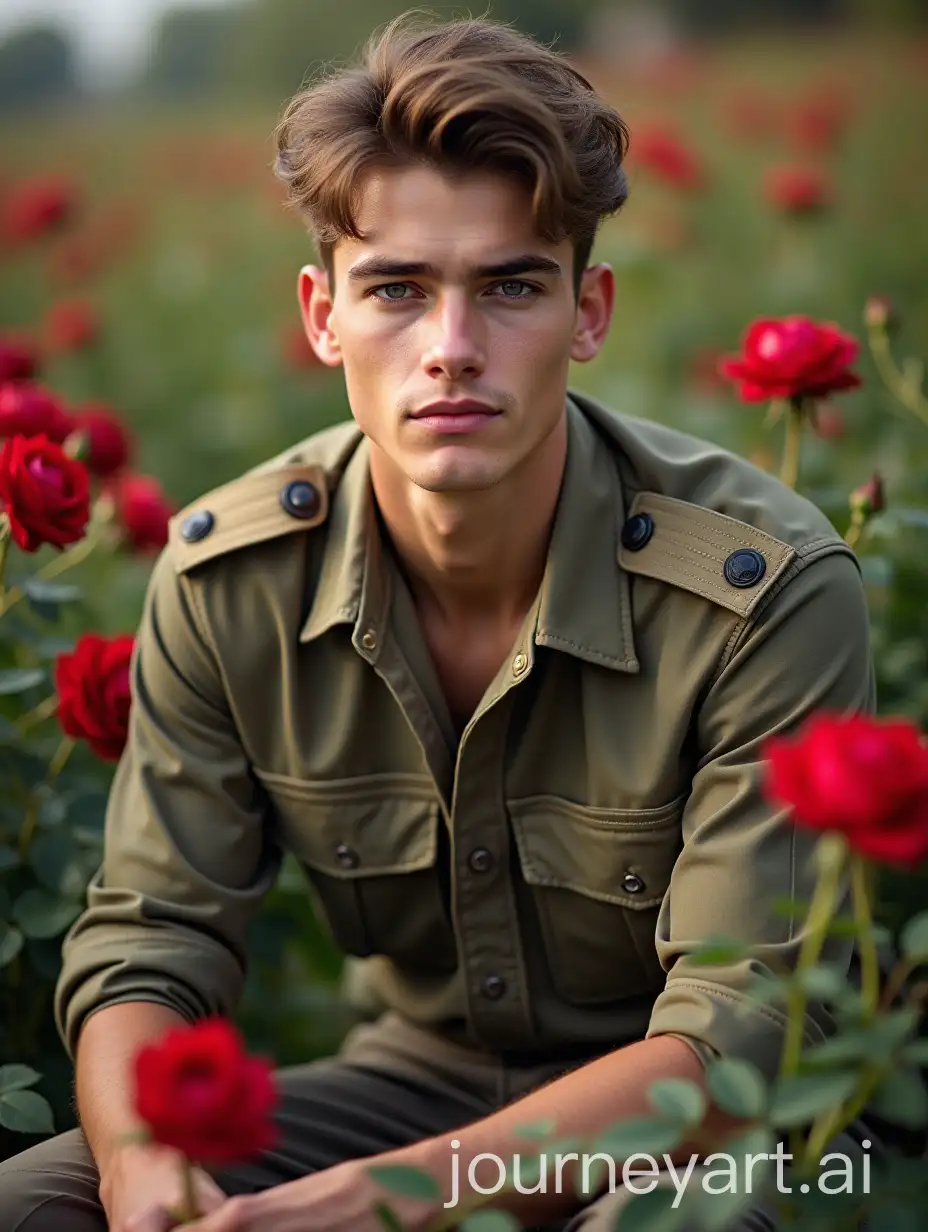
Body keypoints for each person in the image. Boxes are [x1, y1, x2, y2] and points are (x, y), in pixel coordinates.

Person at [0, 12, 881, 1232]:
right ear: (321, 316)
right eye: (397, 290)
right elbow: (152, 937)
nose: (451, 350)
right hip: (411, 1082)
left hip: (696, 1127)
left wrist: (388, 1200)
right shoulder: (227, 580)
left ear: (588, 312)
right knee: (44, 1199)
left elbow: (746, 1030)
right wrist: (147, 1164)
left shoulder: (762, 589)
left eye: (511, 285)